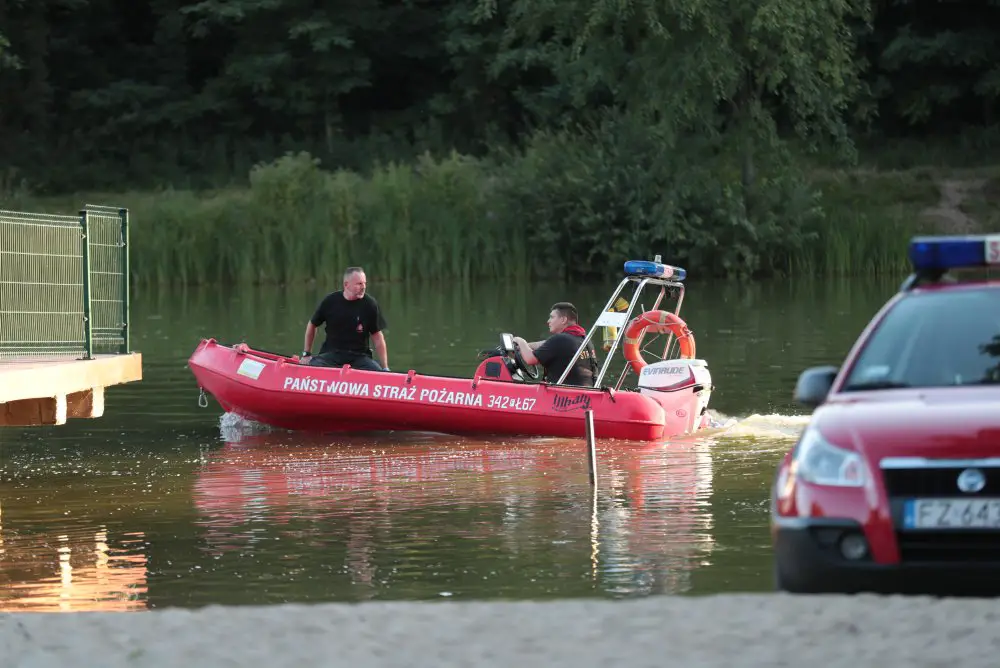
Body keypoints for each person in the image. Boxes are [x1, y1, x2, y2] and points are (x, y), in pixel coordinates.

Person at [301, 266, 389, 371]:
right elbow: (312, 325)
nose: (363, 287)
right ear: (346, 285)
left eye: (364, 283)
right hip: (331, 355)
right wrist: (306, 354)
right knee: (314, 367)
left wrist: (385, 368)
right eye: (359, 284)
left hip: (359, 357)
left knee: (377, 371)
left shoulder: (370, 304)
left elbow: (377, 337)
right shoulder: (330, 301)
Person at [512, 302, 598, 386]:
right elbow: (545, 344)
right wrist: (524, 347)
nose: (548, 321)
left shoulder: (560, 339)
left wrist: (520, 341)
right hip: (585, 391)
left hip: (562, 393)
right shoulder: (583, 339)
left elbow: (530, 359)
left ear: (563, 320)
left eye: (552, 317)